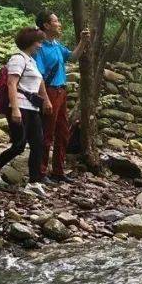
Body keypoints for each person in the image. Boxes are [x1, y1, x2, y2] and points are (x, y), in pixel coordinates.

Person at [0, 27, 54, 196]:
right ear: (30, 43)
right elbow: (12, 84)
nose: (40, 45)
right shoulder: (18, 59)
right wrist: (15, 109)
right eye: (38, 42)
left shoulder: (32, 61)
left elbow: (39, 83)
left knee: (38, 144)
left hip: (32, 108)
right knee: (19, 145)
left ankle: (33, 183)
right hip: (20, 107)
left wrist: (46, 100)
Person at [33, 11, 90, 183]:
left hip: (62, 92)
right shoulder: (40, 48)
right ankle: (40, 172)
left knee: (63, 132)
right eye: (56, 21)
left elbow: (72, 57)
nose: (59, 24)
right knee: (47, 133)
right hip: (49, 92)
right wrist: (46, 99)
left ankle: (58, 171)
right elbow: (39, 76)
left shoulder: (56, 45)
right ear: (46, 25)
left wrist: (83, 41)